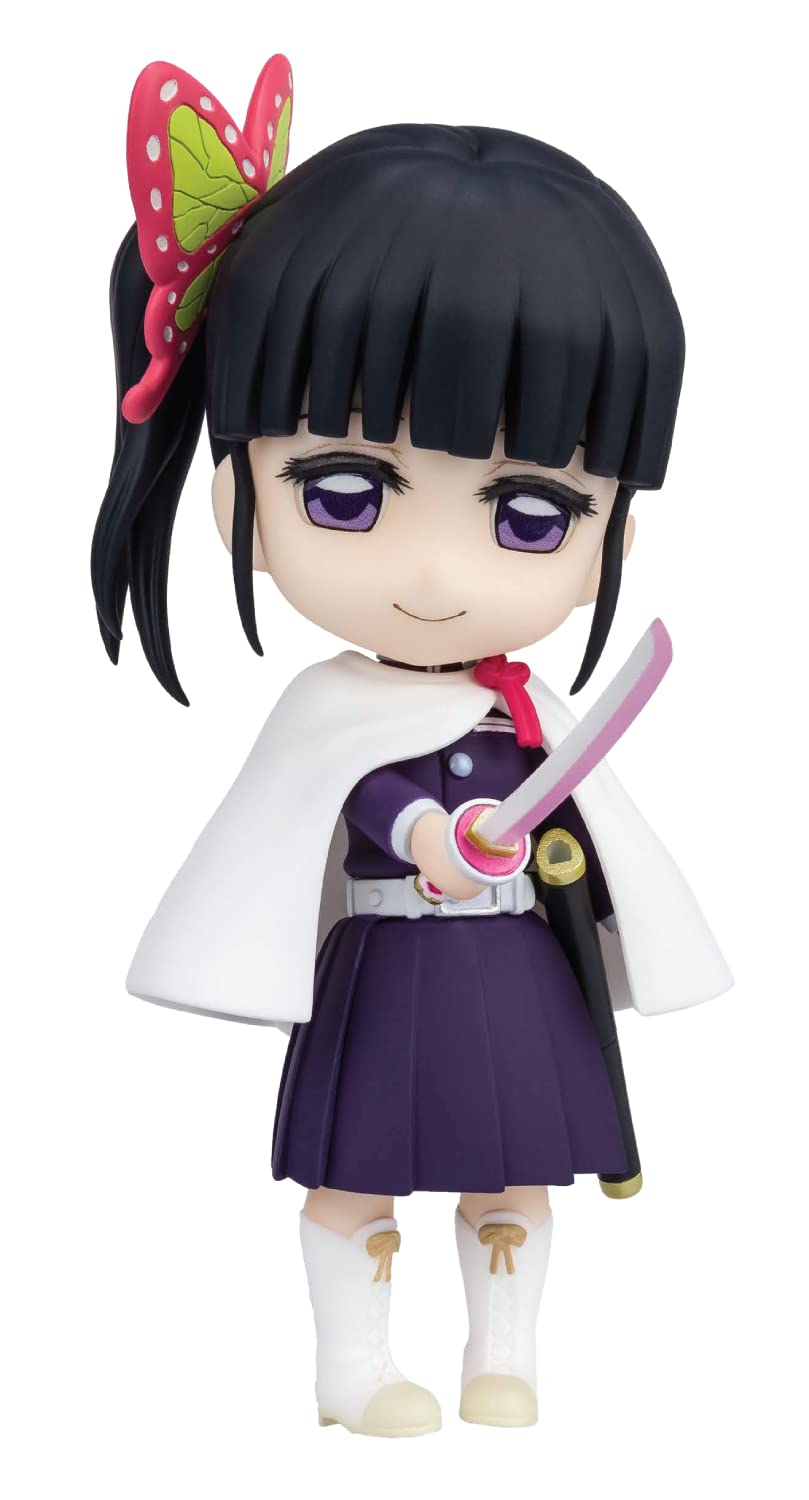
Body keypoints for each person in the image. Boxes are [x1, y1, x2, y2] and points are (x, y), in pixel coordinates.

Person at [92, 56, 732, 1436]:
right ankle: (355, 1368)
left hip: (518, 971)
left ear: (610, 537)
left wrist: (566, 867)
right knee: (356, 1175)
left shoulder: (538, 713)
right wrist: (429, 833)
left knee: (518, 1180)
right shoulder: (329, 715)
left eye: (528, 515)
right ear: (239, 502)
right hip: (385, 966)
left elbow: (593, 846)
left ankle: (506, 1356)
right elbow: (364, 802)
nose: (436, 574)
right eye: (343, 491)